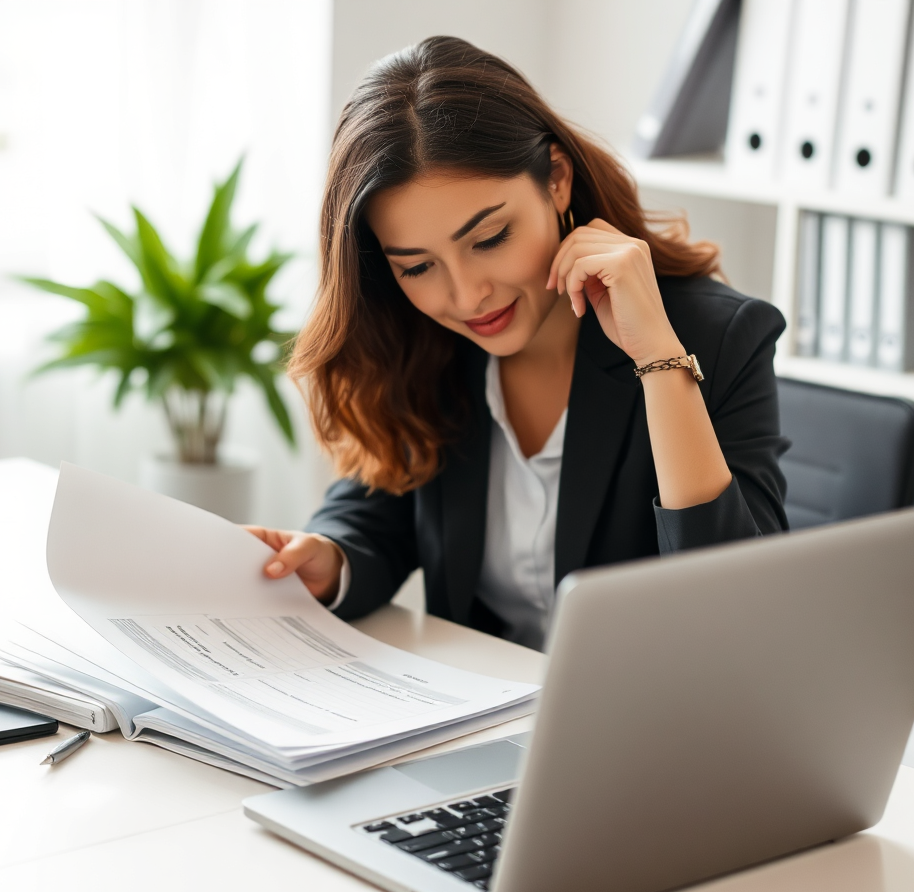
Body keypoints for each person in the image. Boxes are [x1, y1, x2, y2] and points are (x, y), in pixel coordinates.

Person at [245, 36, 789, 651]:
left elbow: (736, 614)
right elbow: (382, 504)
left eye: (490, 238)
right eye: (417, 267)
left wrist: (658, 360)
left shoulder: (720, 339)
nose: (467, 296)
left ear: (556, 179)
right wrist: (331, 557)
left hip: (649, 705)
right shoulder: (425, 340)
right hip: (488, 700)